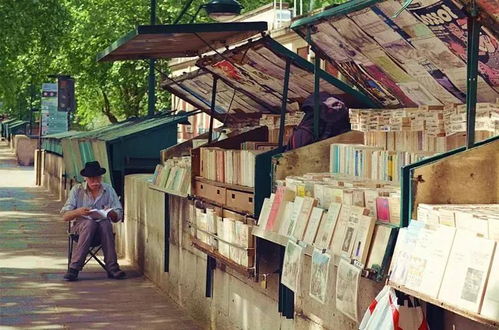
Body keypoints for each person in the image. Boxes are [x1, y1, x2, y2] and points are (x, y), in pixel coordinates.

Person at [61, 161, 125, 281]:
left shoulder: (108, 190)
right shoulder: (77, 190)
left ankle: (112, 268)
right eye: (92, 179)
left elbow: (118, 216)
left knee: (105, 224)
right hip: (81, 229)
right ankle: (74, 268)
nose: (95, 182)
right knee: (90, 223)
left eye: (98, 178)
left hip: (102, 231)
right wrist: (78, 212)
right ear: (85, 178)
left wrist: (110, 212)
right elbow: (65, 216)